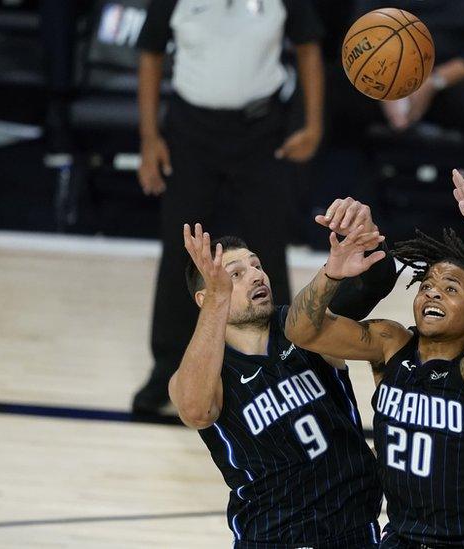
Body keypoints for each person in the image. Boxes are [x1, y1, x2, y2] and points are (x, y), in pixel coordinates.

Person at [284, 149, 464, 547]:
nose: (432, 292)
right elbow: (301, 332)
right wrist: (332, 272)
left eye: (451, 289)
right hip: (403, 537)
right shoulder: (391, 343)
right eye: (428, 285)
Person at [132, 0, 327, 414]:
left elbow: (309, 48)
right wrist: (149, 138)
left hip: (261, 130)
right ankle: (167, 365)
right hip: (190, 131)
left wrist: (312, 125)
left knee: (267, 250)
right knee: (180, 251)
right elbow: (149, 54)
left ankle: (283, 364)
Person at [169, 197, 398, 548]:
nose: (257, 275)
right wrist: (219, 299)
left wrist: (369, 237)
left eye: (256, 265)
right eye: (236, 275)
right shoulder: (204, 368)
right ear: (206, 297)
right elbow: (197, 410)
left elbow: (372, 284)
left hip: (355, 529)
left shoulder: (304, 327)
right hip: (274, 536)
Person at [339, 0, 464, 164]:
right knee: (328, 88)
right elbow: (359, 31)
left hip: (454, 80)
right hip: (381, 73)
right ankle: (336, 195)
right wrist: (385, 88)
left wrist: (434, 81)